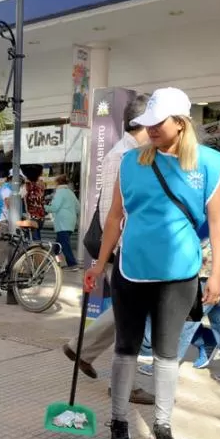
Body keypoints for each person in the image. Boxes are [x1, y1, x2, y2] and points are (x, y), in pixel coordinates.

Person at [85, 87, 220, 439]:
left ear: (181, 124)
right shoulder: (132, 163)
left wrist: (215, 276)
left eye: (157, 123)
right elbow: (115, 217)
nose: (149, 129)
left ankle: (163, 423)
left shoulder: (211, 165)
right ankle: (118, 420)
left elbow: (218, 224)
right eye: (145, 123)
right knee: (125, 349)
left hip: (180, 275)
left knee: (166, 354)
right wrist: (99, 264)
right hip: (131, 270)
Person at [63, 94, 150, 388]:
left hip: (130, 250)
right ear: (142, 124)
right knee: (129, 316)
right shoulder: (122, 155)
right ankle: (121, 381)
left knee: (127, 312)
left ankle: (82, 349)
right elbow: (109, 212)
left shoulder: (136, 152)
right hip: (123, 251)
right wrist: (112, 255)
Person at [139, 171, 220, 383]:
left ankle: (164, 364)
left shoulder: (208, 178)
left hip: (208, 262)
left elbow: (205, 223)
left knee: (187, 315)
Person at [47, 175, 80, 271]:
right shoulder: (71, 193)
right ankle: (56, 263)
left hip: (62, 222)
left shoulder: (59, 192)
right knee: (57, 245)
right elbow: (78, 208)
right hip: (70, 222)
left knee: (64, 245)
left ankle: (72, 264)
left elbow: (54, 208)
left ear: (57, 183)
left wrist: (44, 207)